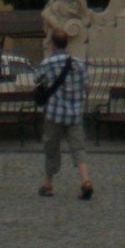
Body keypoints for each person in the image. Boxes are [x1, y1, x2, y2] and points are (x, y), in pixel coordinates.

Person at [35, 30, 92, 200]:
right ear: (67, 44)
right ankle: (86, 181)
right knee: (78, 148)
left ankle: (48, 184)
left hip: (54, 113)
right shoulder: (79, 64)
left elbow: (36, 79)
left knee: (51, 148)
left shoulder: (48, 63)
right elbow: (87, 87)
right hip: (74, 114)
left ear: (52, 44)